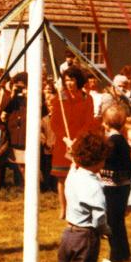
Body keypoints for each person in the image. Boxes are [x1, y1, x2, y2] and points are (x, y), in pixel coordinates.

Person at [46, 132, 111, 262]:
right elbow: (99, 216)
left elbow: (74, 161)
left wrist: (72, 147)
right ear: (98, 162)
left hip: (68, 235)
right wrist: (106, 230)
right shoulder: (94, 186)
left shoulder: (74, 173)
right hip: (85, 237)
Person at [51, 67, 100, 218]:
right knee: (62, 177)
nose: (69, 83)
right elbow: (55, 122)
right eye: (66, 80)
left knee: (80, 176)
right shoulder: (60, 98)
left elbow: (89, 122)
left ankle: (78, 207)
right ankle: (63, 208)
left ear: (78, 80)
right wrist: (65, 139)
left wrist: (77, 139)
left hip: (80, 142)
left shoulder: (87, 98)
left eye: (72, 80)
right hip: (63, 142)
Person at [98, 104, 131, 262]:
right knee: (118, 221)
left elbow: (106, 159)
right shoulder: (121, 140)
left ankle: (116, 256)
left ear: (105, 123)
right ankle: (124, 252)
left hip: (114, 187)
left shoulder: (113, 141)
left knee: (112, 221)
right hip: (122, 186)